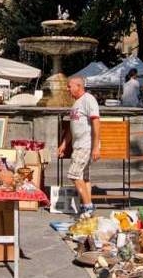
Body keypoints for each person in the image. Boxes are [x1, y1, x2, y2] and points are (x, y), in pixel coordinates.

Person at [57, 76, 100, 217]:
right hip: (78, 145)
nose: (68, 89)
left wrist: (95, 146)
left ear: (79, 85)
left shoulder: (89, 100)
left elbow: (96, 123)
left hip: (85, 144)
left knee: (74, 175)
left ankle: (88, 207)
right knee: (84, 177)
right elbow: (72, 127)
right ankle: (86, 209)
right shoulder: (76, 103)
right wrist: (64, 144)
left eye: (70, 86)